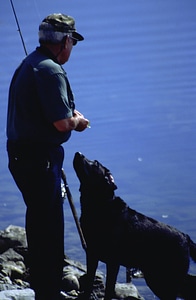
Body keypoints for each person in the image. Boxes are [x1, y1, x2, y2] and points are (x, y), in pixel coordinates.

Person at [6, 13, 89, 300]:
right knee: (50, 223)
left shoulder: (30, 63)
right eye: (73, 42)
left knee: (39, 218)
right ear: (66, 41)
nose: (72, 48)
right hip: (39, 159)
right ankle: (49, 288)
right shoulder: (51, 70)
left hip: (21, 156)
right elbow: (61, 123)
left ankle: (43, 280)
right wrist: (77, 121)